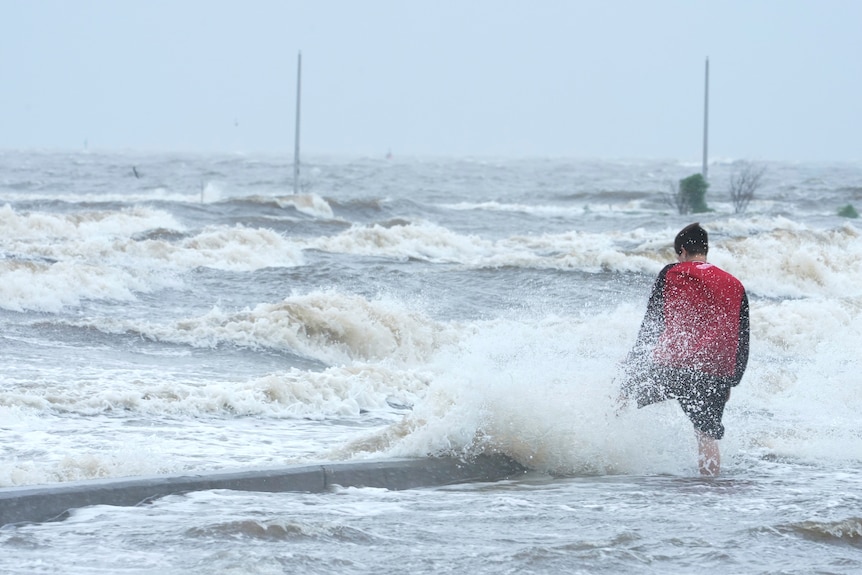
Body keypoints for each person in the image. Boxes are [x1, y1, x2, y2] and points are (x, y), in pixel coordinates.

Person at [619, 223, 750, 476]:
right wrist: (731, 381)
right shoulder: (735, 284)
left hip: (671, 365)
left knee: (621, 392)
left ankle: (599, 450)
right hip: (714, 372)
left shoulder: (672, 272)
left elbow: (653, 322)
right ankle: (709, 488)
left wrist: (635, 360)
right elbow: (741, 337)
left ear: (682, 250)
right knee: (706, 436)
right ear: (705, 249)